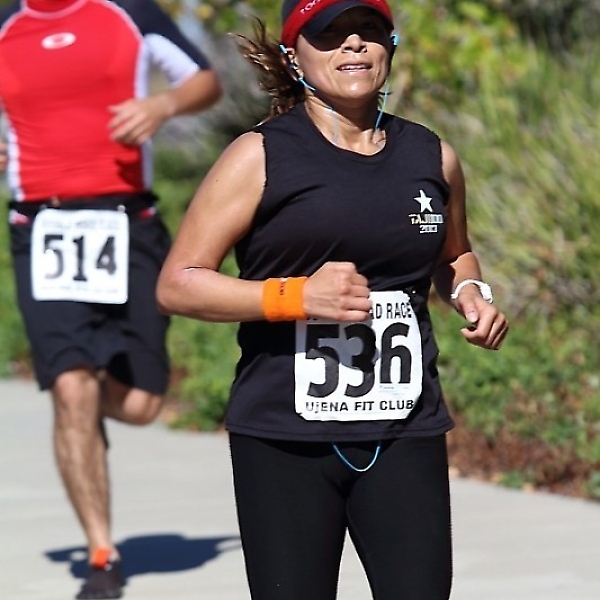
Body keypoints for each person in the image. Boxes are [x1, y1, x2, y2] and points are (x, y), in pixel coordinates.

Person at [156, 0, 509, 598]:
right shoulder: (259, 154)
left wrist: (471, 292)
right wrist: (295, 296)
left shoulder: (432, 156)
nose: (353, 44)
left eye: (369, 31)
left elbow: (454, 255)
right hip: (285, 435)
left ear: (390, 48)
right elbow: (178, 281)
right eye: (330, 34)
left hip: (405, 426)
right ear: (294, 56)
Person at [0, 0, 221, 598]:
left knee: (144, 404)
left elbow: (205, 80)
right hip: (41, 228)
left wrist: (162, 106)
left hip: (129, 224)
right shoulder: (6, 24)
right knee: (71, 386)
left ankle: (81, 402)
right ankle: (101, 552)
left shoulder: (129, 11)